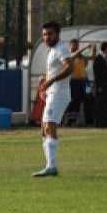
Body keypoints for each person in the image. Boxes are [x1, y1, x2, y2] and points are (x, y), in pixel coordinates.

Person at [32, 22, 72, 178]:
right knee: (44, 129)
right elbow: (54, 71)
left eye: (50, 34)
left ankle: (51, 166)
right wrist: (45, 85)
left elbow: (69, 68)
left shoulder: (61, 48)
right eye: (44, 34)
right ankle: (49, 165)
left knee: (49, 126)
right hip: (52, 93)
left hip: (59, 93)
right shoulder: (52, 51)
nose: (46, 37)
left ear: (57, 34)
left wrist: (52, 80)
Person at [65, 38, 90, 126]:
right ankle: (69, 120)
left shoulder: (81, 56)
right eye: (74, 45)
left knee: (81, 100)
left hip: (83, 81)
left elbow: (86, 64)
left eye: (77, 45)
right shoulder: (69, 55)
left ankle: (77, 120)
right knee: (73, 100)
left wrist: (92, 50)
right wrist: (84, 48)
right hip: (73, 81)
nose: (76, 47)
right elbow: (72, 58)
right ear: (70, 45)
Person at [91, 42, 107, 128]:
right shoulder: (98, 58)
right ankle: (98, 123)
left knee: (106, 104)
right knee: (99, 104)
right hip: (101, 85)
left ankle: (105, 122)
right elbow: (97, 73)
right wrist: (99, 86)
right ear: (105, 49)